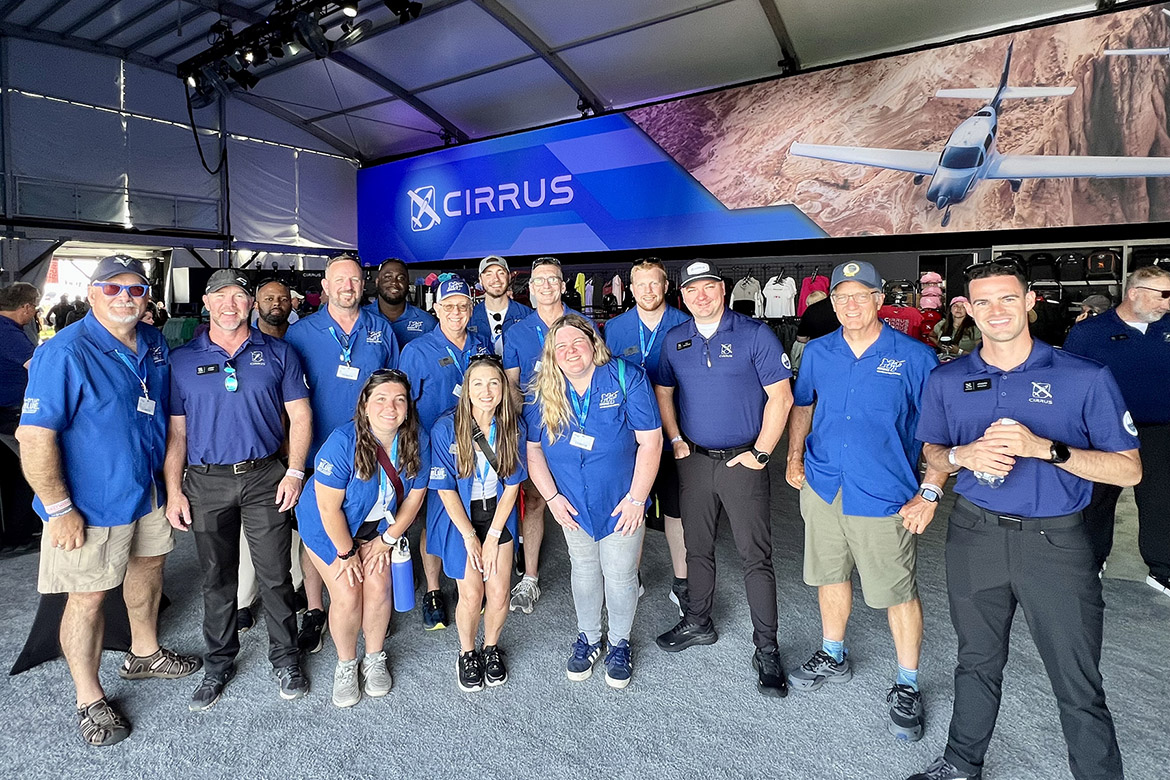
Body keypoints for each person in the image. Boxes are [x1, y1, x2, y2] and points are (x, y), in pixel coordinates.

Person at [907, 259, 1141, 780]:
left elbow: (1129, 470)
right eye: (983, 301)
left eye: (1008, 298)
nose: (997, 310)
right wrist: (961, 456)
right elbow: (934, 451)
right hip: (974, 534)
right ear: (969, 310)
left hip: (1055, 543)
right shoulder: (947, 378)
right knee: (976, 661)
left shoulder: (1084, 376)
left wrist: (1047, 449)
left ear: (1030, 301)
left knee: (1076, 679)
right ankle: (960, 765)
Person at [17, 255, 201, 747]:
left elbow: (167, 417)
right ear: (92, 293)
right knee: (87, 597)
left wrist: (171, 486)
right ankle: (88, 697)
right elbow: (34, 437)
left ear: (147, 298)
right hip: (90, 505)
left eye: (135, 290)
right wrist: (59, 509)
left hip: (147, 492)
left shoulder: (155, 343)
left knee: (149, 569)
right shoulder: (65, 352)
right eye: (112, 288)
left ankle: (145, 653)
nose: (125, 297)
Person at [784, 260, 944, 741]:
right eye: (841, 297)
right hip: (824, 485)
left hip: (884, 492)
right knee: (829, 575)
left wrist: (931, 490)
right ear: (831, 303)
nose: (850, 305)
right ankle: (833, 652)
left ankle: (907, 682)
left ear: (879, 300)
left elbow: (939, 429)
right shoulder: (818, 351)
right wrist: (794, 457)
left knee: (897, 590)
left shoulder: (915, 357)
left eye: (860, 295)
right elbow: (803, 405)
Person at [164, 270, 312, 711]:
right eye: (220, 296)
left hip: (265, 476)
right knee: (216, 576)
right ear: (206, 303)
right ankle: (218, 663)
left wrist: (295, 472)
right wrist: (174, 490)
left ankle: (286, 658)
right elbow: (177, 433)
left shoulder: (279, 352)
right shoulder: (181, 360)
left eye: (239, 297)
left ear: (250, 304)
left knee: (275, 575)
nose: (230, 305)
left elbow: (300, 416)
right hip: (205, 480)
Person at [653, 259, 794, 698]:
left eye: (709, 286)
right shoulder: (675, 339)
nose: (701, 295)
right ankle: (698, 621)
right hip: (695, 460)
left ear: (723, 289)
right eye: (692, 289)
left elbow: (781, 397)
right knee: (697, 548)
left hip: (743, 461)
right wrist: (675, 438)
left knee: (756, 556)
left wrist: (762, 452)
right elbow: (663, 391)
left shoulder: (755, 334)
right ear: (682, 296)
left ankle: (767, 649)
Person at [525, 314, 662, 688]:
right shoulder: (544, 390)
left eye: (577, 342)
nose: (570, 351)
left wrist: (637, 499)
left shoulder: (626, 378)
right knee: (584, 569)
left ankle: (619, 643)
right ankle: (589, 637)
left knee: (620, 574)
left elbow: (651, 441)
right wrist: (552, 498)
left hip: (621, 502)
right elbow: (533, 449)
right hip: (571, 503)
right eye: (561, 346)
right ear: (552, 355)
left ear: (593, 344)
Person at [285, 254, 400, 655]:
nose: (348, 286)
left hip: (374, 451)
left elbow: (393, 386)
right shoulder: (301, 334)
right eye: (340, 280)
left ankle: (368, 611)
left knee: (367, 521)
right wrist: (293, 461)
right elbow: (289, 398)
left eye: (354, 280)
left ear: (362, 285)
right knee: (317, 531)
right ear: (325, 287)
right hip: (319, 452)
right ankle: (316, 609)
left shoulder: (380, 329)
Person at [296, 370, 429, 708]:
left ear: (408, 408)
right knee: (347, 593)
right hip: (329, 528)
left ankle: (374, 657)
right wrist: (346, 553)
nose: (390, 407)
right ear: (365, 405)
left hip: (376, 528)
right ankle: (346, 664)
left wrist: (387, 540)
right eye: (381, 399)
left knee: (379, 587)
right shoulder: (343, 442)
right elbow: (328, 509)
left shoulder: (417, 439)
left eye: (399, 400)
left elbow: (415, 497)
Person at [1063, 266, 1170, 596]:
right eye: (1163, 294)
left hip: (1159, 430)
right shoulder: (1089, 333)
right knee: (1096, 501)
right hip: (1102, 432)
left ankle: (1163, 570)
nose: (1167, 303)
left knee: (1161, 501)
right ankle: (1091, 561)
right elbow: (1069, 381)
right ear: (1134, 293)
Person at [399, 275, 492, 630]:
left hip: (476, 450)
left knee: (471, 515)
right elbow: (405, 406)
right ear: (436, 309)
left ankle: (470, 584)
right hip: (433, 450)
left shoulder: (481, 345)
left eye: (463, 306)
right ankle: (434, 590)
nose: (456, 312)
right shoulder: (417, 351)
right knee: (435, 521)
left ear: (471, 308)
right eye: (449, 306)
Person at [503, 257, 593, 614]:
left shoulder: (583, 324)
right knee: (536, 500)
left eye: (552, 279)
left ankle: (597, 572)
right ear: (530, 288)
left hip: (576, 428)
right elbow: (512, 385)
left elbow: (597, 372)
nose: (546, 285)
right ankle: (530, 577)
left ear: (562, 285)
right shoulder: (517, 331)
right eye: (539, 280)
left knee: (583, 493)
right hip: (534, 431)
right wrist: (513, 426)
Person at [429, 356, 525, 690]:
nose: (487, 391)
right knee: (471, 594)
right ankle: (467, 652)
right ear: (467, 389)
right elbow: (445, 489)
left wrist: (494, 535)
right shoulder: (446, 428)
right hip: (462, 517)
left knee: (499, 593)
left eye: (494, 383)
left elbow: (512, 485)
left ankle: (491, 647)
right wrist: (471, 537)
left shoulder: (512, 426)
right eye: (478, 384)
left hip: (497, 514)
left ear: (503, 388)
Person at [603, 259, 692, 615]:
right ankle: (630, 576)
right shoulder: (614, 328)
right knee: (631, 507)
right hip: (629, 439)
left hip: (675, 435)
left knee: (676, 510)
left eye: (654, 283)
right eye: (640, 284)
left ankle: (682, 583)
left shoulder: (686, 324)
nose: (648, 290)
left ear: (666, 286)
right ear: (630, 289)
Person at [237, 277, 305, 631]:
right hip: (258, 451)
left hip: (295, 449)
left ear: (292, 303)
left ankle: (295, 585)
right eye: (268, 298)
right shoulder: (243, 343)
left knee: (292, 524)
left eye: (283, 298)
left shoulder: (299, 341)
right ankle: (243, 599)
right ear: (255, 303)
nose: (276, 303)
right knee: (250, 529)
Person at [364, 257, 437, 346]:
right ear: (377, 282)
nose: (394, 283)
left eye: (401, 278)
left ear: (408, 284)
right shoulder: (361, 317)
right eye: (388, 277)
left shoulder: (427, 322)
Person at [468, 255, 532, 357]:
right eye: (489, 274)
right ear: (480, 280)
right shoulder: (469, 318)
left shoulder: (528, 316)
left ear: (509, 277)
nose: (496, 279)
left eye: (501, 273)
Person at [0, 283, 40, 434]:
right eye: (35, 307)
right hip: (9, 413)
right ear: (26, 307)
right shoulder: (8, 333)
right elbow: (39, 367)